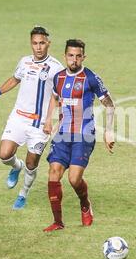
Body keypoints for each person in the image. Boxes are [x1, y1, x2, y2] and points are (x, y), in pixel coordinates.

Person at [0, 26, 64, 210]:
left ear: (48, 44)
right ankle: (16, 167)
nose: (38, 47)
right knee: (4, 155)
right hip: (18, 117)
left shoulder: (56, 68)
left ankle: (23, 194)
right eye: (35, 43)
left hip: (40, 123)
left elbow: (58, 96)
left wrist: (51, 120)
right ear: (31, 44)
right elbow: (14, 79)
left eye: (42, 43)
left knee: (32, 162)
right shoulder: (24, 62)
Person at [42, 39, 115, 232]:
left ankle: (85, 203)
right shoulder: (58, 78)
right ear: (65, 56)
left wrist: (108, 131)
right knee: (53, 173)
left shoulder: (90, 77)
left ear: (83, 57)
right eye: (70, 55)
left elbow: (109, 104)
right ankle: (58, 222)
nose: (74, 60)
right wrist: (50, 120)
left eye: (78, 56)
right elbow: (56, 98)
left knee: (74, 179)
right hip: (63, 135)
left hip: (84, 135)